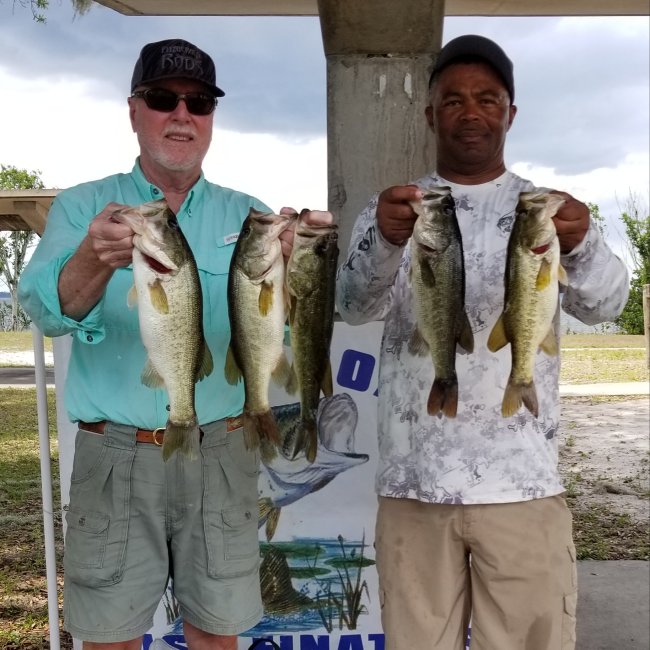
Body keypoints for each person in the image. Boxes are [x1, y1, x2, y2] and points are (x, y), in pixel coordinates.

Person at [19, 38, 331, 650]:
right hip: (114, 455)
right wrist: (93, 257)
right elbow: (45, 312)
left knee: (217, 633)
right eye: (164, 98)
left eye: (200, 102)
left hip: (223, 450)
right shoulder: (85, 206)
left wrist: (308, 265)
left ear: (212, 117)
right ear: (134, 110)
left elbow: (289, 329)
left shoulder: (251, 216)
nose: (182, 115)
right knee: (108, 637)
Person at [335, 34, 629, 650]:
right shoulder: (395, 210)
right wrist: (384, 241)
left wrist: (582, 244)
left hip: (523, 484)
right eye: (454, 100)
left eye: (488, 99)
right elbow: (354, 305)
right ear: (430, 114)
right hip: (414, 485)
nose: (471, 112)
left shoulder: (545, 211)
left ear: (510, 113)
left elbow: (605, 305)